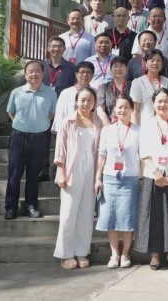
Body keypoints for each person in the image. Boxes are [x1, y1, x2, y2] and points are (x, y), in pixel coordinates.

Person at [135, 88, 168, 270]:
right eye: (159, 101)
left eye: (166, 101)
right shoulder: (147, 124)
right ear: (154, 104)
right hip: (152, 176)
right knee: (153, 216)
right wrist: (156, 173)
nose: (163, 105)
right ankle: (155, 254)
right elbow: (144, 152)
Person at [53, 87, 102, 270]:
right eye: (82, 100)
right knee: (68, 213)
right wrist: (61, 171)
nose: (85, 103)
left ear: (95, 103)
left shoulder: (98, 122)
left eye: (90, 100)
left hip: (91, 167)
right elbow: (61, 149)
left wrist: (99, 175)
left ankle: (82, 251)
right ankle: (65, 254)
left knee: (86, 213)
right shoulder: (68, 121)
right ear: (76, 101)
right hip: (72, 168)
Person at [5, 61, 57, 220]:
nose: (34, 74)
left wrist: (38, 125)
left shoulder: (50, 93)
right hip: (19, 138)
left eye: (37, 71)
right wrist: (23, 125)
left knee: (34, 175)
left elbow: (52, 114)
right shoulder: (16, 92)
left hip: (39, 139)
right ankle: (11, 207)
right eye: (30, 71)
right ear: (25, 74)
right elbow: (11, 112)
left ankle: (30, 206)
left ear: (43, 74)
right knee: (14, 174)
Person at [95, 94, 140, 269]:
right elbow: (102, 155)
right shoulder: (107, 130)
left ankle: (126, 253)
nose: (123, 110)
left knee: (128, 217)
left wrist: (142, 177)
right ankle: (114, 254)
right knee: (109, 217)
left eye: (126, 107)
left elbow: (143, 156)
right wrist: (98, 177)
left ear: (132, 109)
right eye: (119, 107)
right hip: (110, 178)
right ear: (114, 109)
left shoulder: (138, 130)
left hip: (130, 178)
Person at [131, 49, 168, 124]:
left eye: (158, 61)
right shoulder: (138, 82)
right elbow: (134, 111)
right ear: (146, 64)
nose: (155, 63)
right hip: (144, 125)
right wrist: (136, 128)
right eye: (152, 60)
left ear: (162, 65)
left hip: (164, 125)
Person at [53, 62, 95, 133]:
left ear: (92, 75)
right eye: (82, 72)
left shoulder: (96, 93)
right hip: (70, 132)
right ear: (76, 74)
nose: (85, 75)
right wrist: (61, 133)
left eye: (88, 72)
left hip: (91, 131)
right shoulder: (66, 93)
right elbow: (60, 116)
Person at [96, 56, 131, 126]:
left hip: (130, 125)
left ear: (127, 69)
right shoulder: (104, 87)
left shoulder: (134, 86)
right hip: (108, 125)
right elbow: (100, 110)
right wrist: (110, 128)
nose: (118, 69)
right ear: (111, 69)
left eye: (121, 66)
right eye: (115, 66)